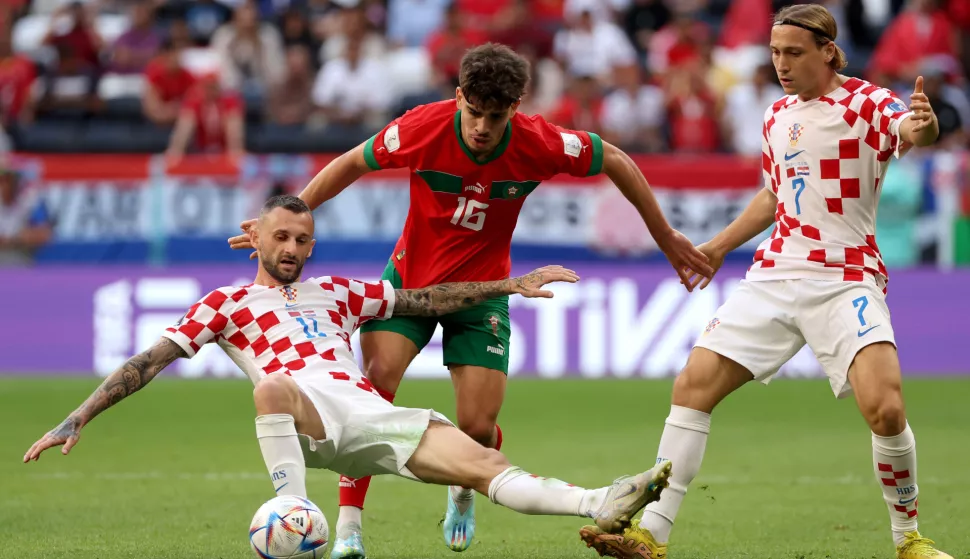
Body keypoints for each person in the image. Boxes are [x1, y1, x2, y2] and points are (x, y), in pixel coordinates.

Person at [228, 42, 711, 559]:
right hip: (407, 289)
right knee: (375, 390)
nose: (481, 127)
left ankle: (463, 489)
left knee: (478, 426)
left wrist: (665, 235)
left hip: (482, 295)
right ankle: (349, 528)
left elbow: (613, 157)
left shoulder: (542, 143)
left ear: (515, 109)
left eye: (495, 117)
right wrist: (288, 219)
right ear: (459, 97)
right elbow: (350, 162)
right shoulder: (421, 128)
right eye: (474, 112)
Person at [22, 195, 673, 545]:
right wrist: (78, 416)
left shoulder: (337, 291)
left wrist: (511, 282)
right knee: (273, 384)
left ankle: (601, 501)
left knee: (485, 462)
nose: (292, 249)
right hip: (300, 411)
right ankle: (293, 504)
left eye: (302, 240)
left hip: (368, 414)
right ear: (256, 237)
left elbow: (425, 299)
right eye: (280, 238)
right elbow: (148, 361)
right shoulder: (224, 303)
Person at [579, 5, 952, 559]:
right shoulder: (777, 115)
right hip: (775, 274)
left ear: (828, 50)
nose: (781, 63)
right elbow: (776, 195)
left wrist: (923, 123)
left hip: (844, 277)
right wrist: (718, 247)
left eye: (793, 52)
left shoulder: (866, 103)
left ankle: (908, 539)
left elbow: (909, 129)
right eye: (775, 52)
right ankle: (649, 535)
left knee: (886, 408)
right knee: (692, 387)